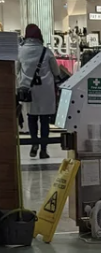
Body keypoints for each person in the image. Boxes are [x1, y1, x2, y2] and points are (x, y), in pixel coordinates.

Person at [17, 25, 61, 160]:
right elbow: (56, 71)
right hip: (45, 90)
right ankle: (43, 150)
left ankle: (34, 142)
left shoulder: (20, 51)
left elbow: (17, 70)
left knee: (31, 117)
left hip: (28, 90)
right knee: (44, 120)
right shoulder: (46, 52)